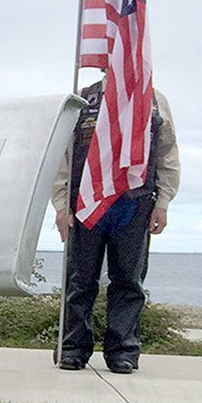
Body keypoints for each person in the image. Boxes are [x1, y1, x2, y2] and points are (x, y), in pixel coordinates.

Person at [53, 80, 179, 374]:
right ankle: (72, 348)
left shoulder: (154, 100)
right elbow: (63, 155)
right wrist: (60, 204)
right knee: (80, 280)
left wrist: (164, 201)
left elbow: (167, 153)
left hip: (133, 205)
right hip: (87, 203)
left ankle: (123, 351)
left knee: (128, 282)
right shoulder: (84, 98)